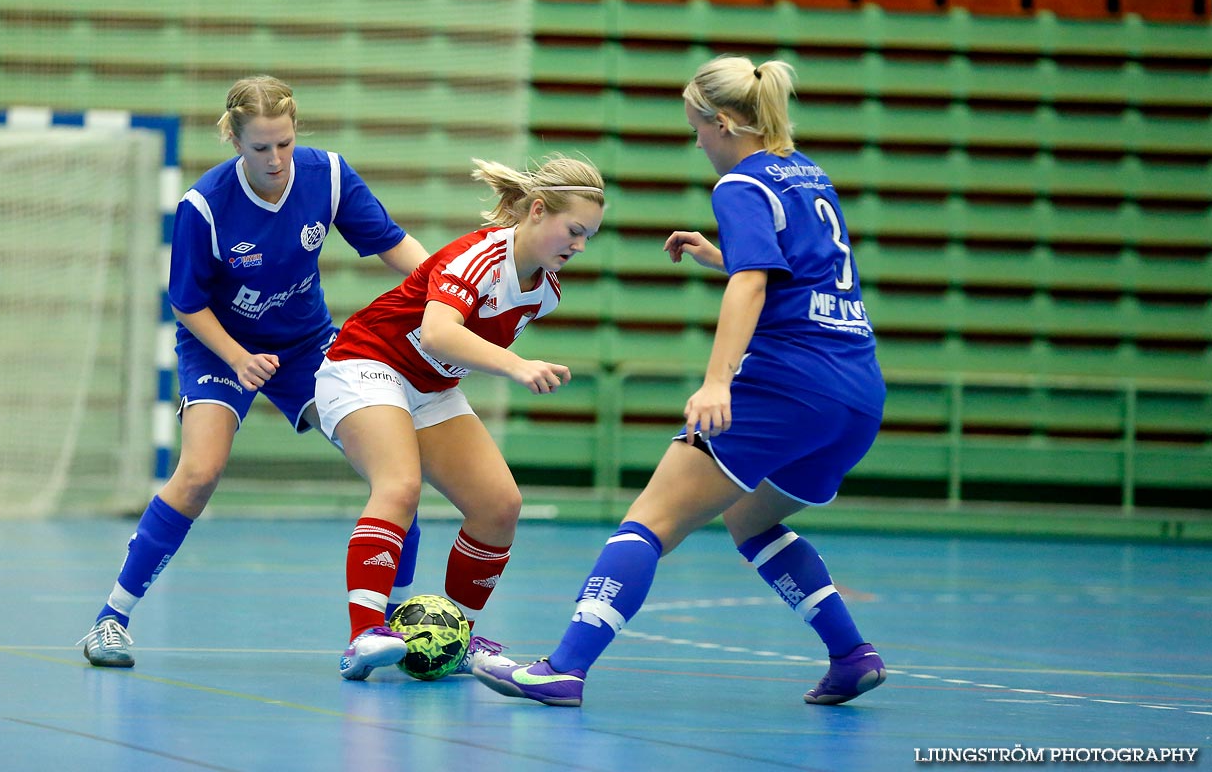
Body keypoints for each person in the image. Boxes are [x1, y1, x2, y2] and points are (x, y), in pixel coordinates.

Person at [474, 56, 888, 708]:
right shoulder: (808, 172)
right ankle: (850, 652)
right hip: (858, 392)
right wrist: (717, 255)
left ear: (724, 123)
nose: (695, 142)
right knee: (750, 519)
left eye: (696, 127)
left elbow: (754, 284)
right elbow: (794, 273)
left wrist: (717, 381)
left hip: (790, 383)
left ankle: (564, 667)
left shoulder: (741, 184)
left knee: (651, 519)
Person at [78, 76, 430, 669]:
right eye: (260, 148)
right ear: (233, 140)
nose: (274, 160)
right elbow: (186, 303)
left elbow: (395, 246)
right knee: (199, 473)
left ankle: (393, 627)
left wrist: (453, 292)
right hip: (219, 346)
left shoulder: (329, 176)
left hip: (307, 343)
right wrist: (237, 357)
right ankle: (110, 619)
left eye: (284, 144)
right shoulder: (205, 206)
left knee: (397, 474)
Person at [314, 154, 606, 682]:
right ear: (537, 211)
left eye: (589, 236)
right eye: (575, 230)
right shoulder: (477, 257)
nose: (580, 246)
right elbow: (438, 334)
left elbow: (448, 356)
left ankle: (458, 636)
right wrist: (517, 366)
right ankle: (362, 636)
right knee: (399, 485)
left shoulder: (546, 291)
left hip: (431, 388)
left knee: (499, 506)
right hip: (364, 365)